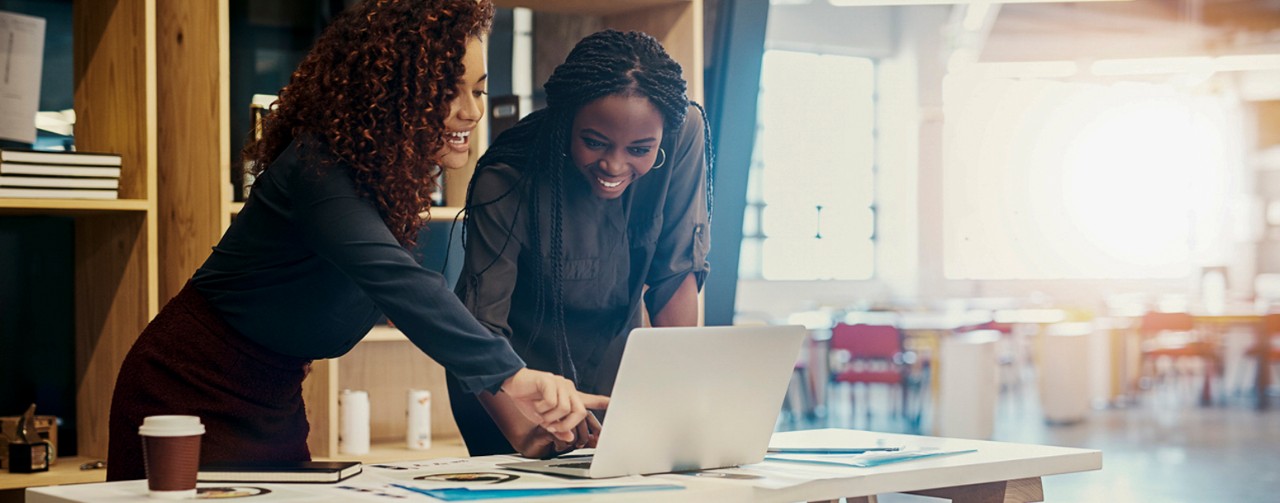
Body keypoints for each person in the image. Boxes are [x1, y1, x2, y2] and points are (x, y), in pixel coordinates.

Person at [106, 0, 605, 482]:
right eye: (446, 90)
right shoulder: (317, 169)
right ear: (391, 91)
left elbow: (414, 299)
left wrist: (523, 409)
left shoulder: (387, 187)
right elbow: (402, 285)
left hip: (274, 403)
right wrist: (517, 378)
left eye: (478, 90)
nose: (469, 111)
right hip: (182, 394)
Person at [446, 29, 714, 457]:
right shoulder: (507, 175)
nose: (614, 164)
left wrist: (677, 400)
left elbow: (676, 271)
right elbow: (481, 326)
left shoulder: (683, 131)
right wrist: (527, 432)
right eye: (594, 142)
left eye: (641, 149)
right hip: (507, 391)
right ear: (567, 119)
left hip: (610, 377)